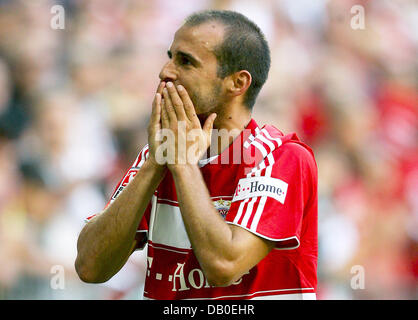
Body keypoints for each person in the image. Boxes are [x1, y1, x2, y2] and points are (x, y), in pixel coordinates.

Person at [75, 10, 318, 300]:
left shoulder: (280, 158)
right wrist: (155, 163)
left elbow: (224, 265)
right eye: (171, 56)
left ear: (238, 83)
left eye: (186, 61)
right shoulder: (159, 156)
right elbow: (90, 267)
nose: (165, 71)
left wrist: (181, 164)